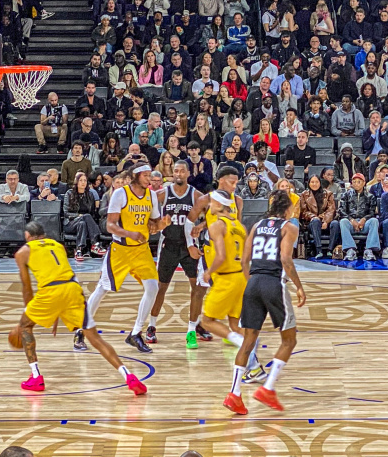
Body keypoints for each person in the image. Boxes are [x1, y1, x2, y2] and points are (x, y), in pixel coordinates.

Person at [13, 221, 147, 395]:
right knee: (95, 338)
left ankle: (36, 376)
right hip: (73, 288)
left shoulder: (23, 252)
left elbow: (26, 287)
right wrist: (56, 312)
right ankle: (129, 376)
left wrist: (31, 313)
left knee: (24, 326)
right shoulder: (58, 246)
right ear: (44, 235)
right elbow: (65, 273)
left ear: (27, 236)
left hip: (50, 291)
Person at [73, 163, 170, 354]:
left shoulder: (151, 196)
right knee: (102, 289)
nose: (149, 178)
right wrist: (129, 233)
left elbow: (154, 224)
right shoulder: (121, 194)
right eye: (146, 175)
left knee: (152, 287)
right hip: (121, 250)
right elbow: (109, 226)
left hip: (141, 250)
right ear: (135, 175)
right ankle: (80, 330)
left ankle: (135, 333)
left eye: (150, 175)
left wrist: (162, 224)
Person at [225, 190, 305, 414]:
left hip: (253, 283)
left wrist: (252, 282)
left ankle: (234, 394)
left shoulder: (258, 225)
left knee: (248, 341)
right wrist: (298, 286)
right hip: (273, 283)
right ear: (288, 209)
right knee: (289, 340)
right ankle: (268, 389)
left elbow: (245, 260)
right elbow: (286, 259)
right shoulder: (289, 227)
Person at [199, 189, 264, 378]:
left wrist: (208, 272)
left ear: (218, 205)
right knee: (235, 323)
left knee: (207, 321)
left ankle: (239, 342)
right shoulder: (240, 226)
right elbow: (246, 258)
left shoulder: (217, 226)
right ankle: (253, 368)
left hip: (226, 278)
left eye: (212, 202)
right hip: (241, 278)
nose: (209, 205)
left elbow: (220, 256)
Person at [149, 161, 211, 348]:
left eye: (182, 171)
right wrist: (156, 222)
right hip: (168, 245)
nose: (178, 173)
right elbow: (148, 206)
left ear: (188, 173)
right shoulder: (163, 193)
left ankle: (194, 326)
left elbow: (213, 212)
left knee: (197, 288)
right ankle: (151, 326)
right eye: (175, 170)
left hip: (189, 246)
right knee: (161, 287)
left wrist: (202, 225)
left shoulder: (195, 195)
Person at [329, 173, 380, 260]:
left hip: (364, 223)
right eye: (354, 182)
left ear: (364, 183)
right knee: (343, 221)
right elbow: (341, 210)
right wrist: (351, 220)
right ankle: (350, 249)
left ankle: (369, 250)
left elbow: (372, 212)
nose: (356, 184)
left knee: (374, 221)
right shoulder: (346, 195)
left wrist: (364, 219)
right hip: (351, 223)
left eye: (359, 182)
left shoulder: (370, 196)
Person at [63, 172, 106, 262]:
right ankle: (95, 244)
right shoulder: (69, 193)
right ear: (76, 182)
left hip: (84, 223)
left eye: (85, 180)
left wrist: (83, 218)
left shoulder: (89, 195)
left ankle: (79, 250)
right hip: (70, 222)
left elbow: (92, 213)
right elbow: (66, 213)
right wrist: (79, 216)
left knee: (82, 223)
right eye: (81, 180)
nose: (83, 182)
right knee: (85, 217)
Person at [299, 174, 336, 258]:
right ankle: (319, 250)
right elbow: (304, 211)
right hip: (311, 223)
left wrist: (325, 221)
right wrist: (314, 217)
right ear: (309, 183)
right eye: (312, 182)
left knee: (335, 224)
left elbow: (331, 210)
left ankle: (330, 250)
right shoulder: (304, 194)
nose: (314, 184)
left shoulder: (328, 194)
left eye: (316, 182)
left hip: (326, 222)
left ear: (320, 183)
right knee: (315, 221)